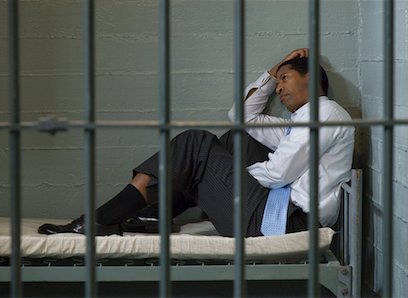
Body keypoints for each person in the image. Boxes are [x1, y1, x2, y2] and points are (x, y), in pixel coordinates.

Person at [39, 48, 354, 237]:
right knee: (235, 139)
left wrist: (217, 175)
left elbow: (280, 173)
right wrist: (274, 70)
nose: (280, 88)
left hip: (284, 222)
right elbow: (241, 115)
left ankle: (102, 219)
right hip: (276, 213)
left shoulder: (325, 112)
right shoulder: (298, 122)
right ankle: (154, 214)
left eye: (285, 79)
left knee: (195, 144)